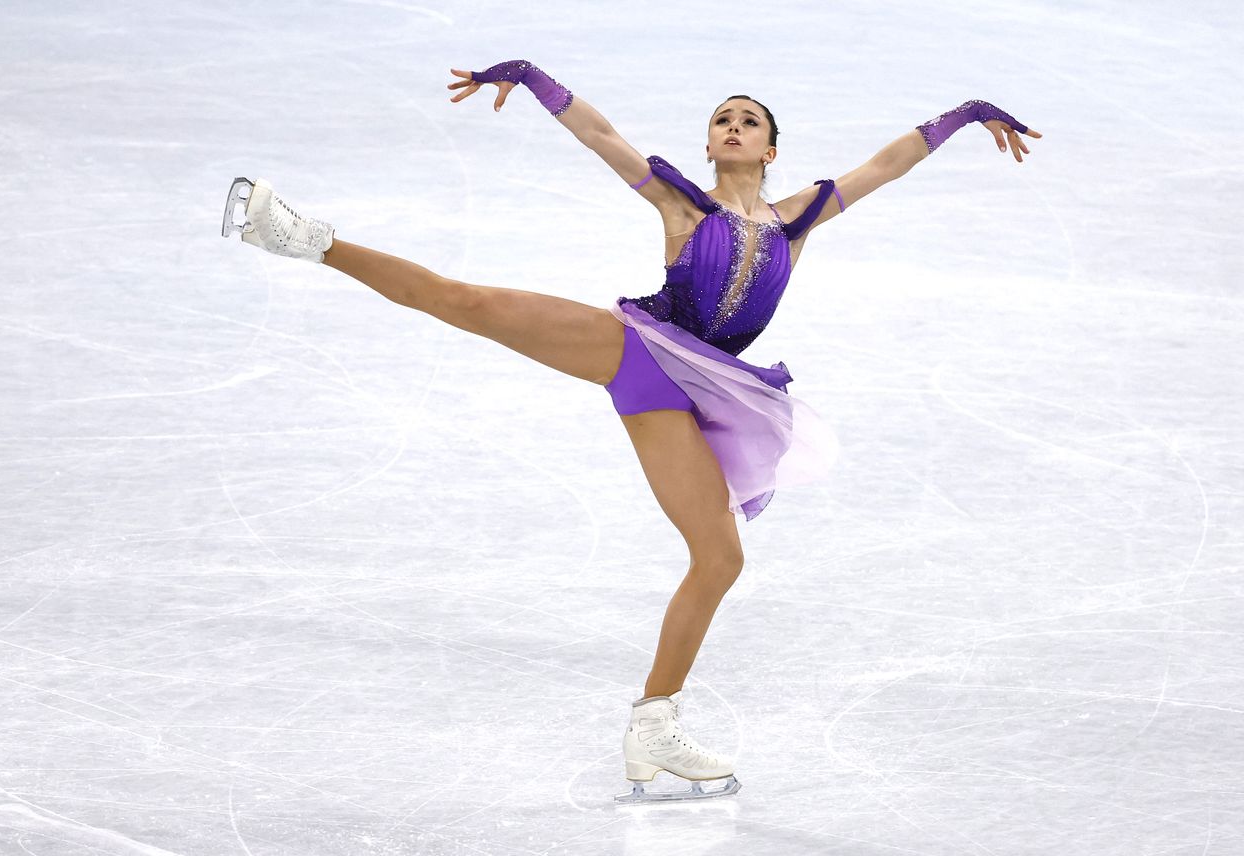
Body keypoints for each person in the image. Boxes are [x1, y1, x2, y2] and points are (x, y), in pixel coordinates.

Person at [220, 59, 1041, 802]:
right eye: (722, 117)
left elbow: (884, 167)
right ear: (710, 143)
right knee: (468, 303)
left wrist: (964, 114)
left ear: (770, 151)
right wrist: (535, 79)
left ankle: (654, 725)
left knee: (721, 557)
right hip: (643, 350)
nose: (733, 126)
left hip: (708, 394)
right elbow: (601, 135)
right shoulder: (682, 201)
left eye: (749, 120)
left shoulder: (799, 218)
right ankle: (298, 235)